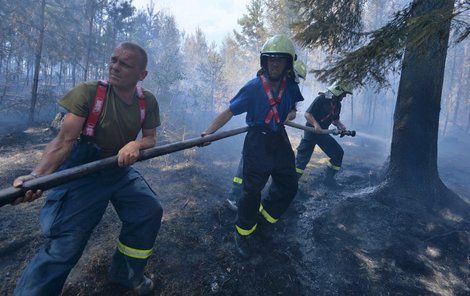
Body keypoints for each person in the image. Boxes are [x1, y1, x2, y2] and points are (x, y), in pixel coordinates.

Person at [11, 42, 162, 296]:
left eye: (125, 64)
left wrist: (135, 143)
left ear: (141, 74)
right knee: (67, 242)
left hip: (119, 169)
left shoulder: (147, 101)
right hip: (85, 168)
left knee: (148, 210)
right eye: (113, 60)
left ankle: (126, 274)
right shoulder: (89, 93)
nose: (115, 67)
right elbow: (63, 141)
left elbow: (150, 138)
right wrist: (37, 177)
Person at [201, 34, 304, 258]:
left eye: (280, 59)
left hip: (280, 139)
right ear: (264, 61)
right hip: (258, 141)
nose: (274, 63)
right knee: (251, 192)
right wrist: (209, 132)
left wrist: (291, 112)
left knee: (288, 185)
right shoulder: (253, 87)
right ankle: (244, 232)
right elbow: (229, 111)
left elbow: (293, 104)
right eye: (270, 59)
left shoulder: (292, 86)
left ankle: (265, 219)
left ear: (288, 63)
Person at [226, 59, 308, 211]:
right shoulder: (260, 85)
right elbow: (238, 108)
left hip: (275, 134)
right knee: (246, 168)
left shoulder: (290, 88)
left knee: (264, 171)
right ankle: (233, 196)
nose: (294, 81)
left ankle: (251, 201)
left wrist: (289, 115)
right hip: (257, 135)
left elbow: (292, 110)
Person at [295, 81, 353, 187]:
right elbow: (308, 114)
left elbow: (335, 120)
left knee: (338, 153)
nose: (344, 96)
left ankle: (328, 180)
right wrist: (316, 125)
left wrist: (341, 126)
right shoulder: (321, 99)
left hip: (323, 133)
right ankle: (291, 184)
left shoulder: (337, 104)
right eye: (344, 93)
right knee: (301, 161)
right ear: (338, 91)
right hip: (311, 131)